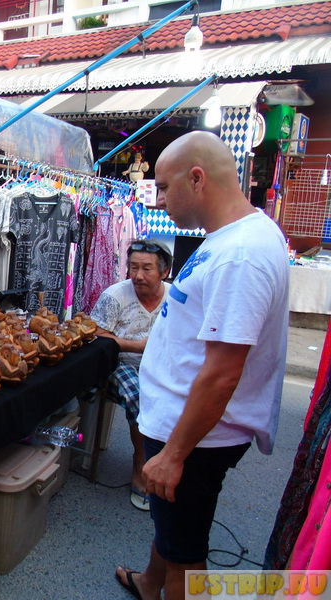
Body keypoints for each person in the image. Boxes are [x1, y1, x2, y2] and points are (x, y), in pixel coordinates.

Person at [114, 131, 289, 600]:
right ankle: (151, 584)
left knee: (187, 557)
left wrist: (173, 455)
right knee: (173, 529)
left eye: (166, 187)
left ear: (197, 179)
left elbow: (224, 371)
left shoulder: (241, 256)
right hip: (181, 427)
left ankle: (164, 585)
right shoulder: (231, 237)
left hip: (193, 438)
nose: (161, 198)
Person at [91, 238, 172, 511]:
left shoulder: (177, 298)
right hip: (121, 363)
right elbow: (97, 335)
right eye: (133, 267)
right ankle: (141, 461)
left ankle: (169, 461)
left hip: (164, 365)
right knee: (140, 396)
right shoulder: (116, 296)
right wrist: (139, 346)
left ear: (164, 271)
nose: (137, 275)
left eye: (147, 269)